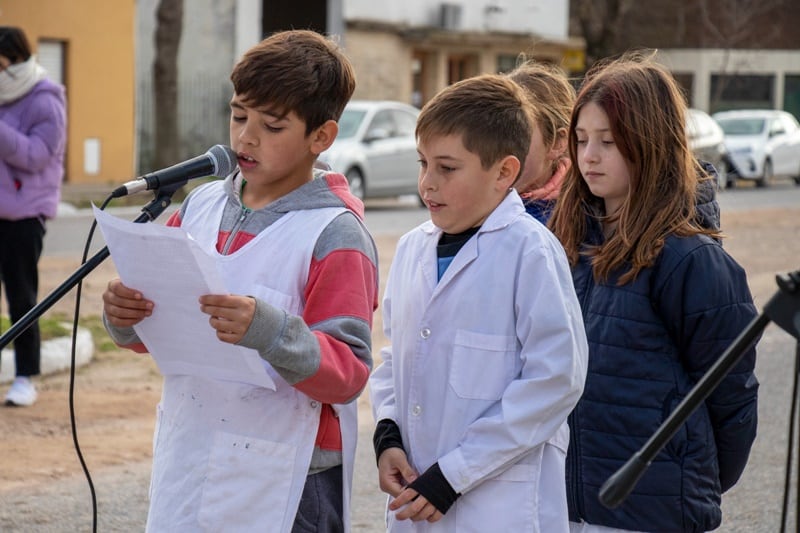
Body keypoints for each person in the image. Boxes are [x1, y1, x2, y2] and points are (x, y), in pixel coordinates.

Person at [101, 30, 378, 532]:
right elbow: (165, 327)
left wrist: (271, 331)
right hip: (192, 452)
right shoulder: (200, 206)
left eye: (272, 126)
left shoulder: (333, 233)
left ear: (322, 137)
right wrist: (127, 320)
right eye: (238, 115)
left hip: (288, 480)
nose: (246, 137)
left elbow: (350, 373)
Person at [548, 52, 759, 532]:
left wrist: (686, 478)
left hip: (655, 511)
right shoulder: (566, 244)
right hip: (569, 506)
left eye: (609, 141)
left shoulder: (690, 260)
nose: (589, 156)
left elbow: (733, 396)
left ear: (651, 143)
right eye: (581, 140)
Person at [368, 74, 589, 532]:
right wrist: (387, 434)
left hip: (499, 508)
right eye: (423, 163)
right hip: (416, 497)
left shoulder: (531, 252)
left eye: (447, 168)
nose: (427, 183)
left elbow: (556, 380)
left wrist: (456, 473)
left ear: (504, 172)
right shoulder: (413, 249)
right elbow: (395, 356)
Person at [0, 26, 67, 407]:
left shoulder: (46, 99)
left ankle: (25, 376)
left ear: (15, 59)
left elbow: (35, 156)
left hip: (24, 216)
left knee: (21, 297)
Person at [506, 59, 575, 224]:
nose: (501, 148)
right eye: (492, 134)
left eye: (518, 135)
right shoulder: (479, 205)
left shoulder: (575, 217)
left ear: (557, 142)